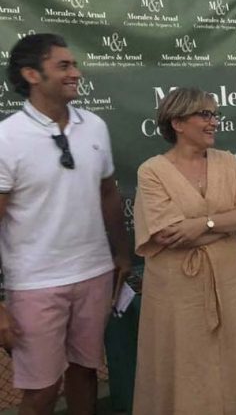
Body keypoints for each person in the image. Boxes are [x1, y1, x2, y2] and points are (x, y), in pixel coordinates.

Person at [0, 33, 130, 415]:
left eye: (74, 64)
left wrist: (121, 253)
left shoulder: (95, 126)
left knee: (86, 373)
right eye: (64, 65)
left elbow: (108, 193)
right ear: (32, 74)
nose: (76, 72)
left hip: (94, 274)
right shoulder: (7, 137)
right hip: (35, 284)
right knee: (41, 390)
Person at [132, 87, 236, 415]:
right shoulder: (152, 171)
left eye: (214, 114)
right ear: (177, 122)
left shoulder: (227, 161)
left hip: (228, 286)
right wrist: (225, 226)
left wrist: (203, 225)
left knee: (230, 360)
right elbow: (167, 233)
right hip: (177, 293)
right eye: (205, 114)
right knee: (183, 366)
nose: (213, 122)